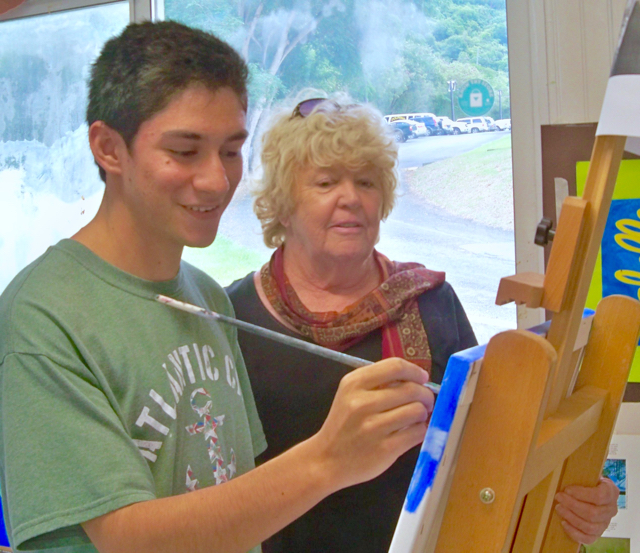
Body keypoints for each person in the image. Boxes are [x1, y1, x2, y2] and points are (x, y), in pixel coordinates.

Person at [0, 22, 436, 553]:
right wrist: (327, 459)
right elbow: (121, 538)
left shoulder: (206, 298)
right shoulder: (44, 315)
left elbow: (233, 492)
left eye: (231, 151)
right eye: (185, 151)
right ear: (108, 148)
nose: (215, 180)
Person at [226, 96, 621, 552]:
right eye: (325, 182)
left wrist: (581, 495)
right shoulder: (234, 314)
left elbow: (495, 449)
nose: (350, 197)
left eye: (366, 181)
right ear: (282, 201)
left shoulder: (432, 301)